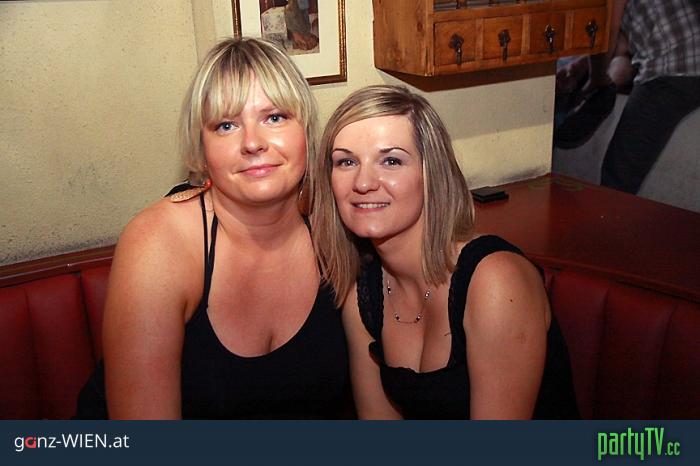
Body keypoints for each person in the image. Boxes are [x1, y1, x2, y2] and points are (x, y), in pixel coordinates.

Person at [75, 37, 350, 419]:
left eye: (274, 117)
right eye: (226, 125)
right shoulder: (159, 243)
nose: (252, 142)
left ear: (305, 131)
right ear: (202, 151)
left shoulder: (339, 228)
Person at [310, 85, 579, 419]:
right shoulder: (362, 295)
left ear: (431, 175)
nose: (363, 182)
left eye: (391, 160)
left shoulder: (494, 283)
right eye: (346, 161)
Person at [555, 0, 700, 194]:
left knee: (619, 175)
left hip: (672, 69)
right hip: (688, 61)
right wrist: (581, 67)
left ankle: (610, 213)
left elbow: (606, 28)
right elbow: (621, 47)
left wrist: (596, 80)